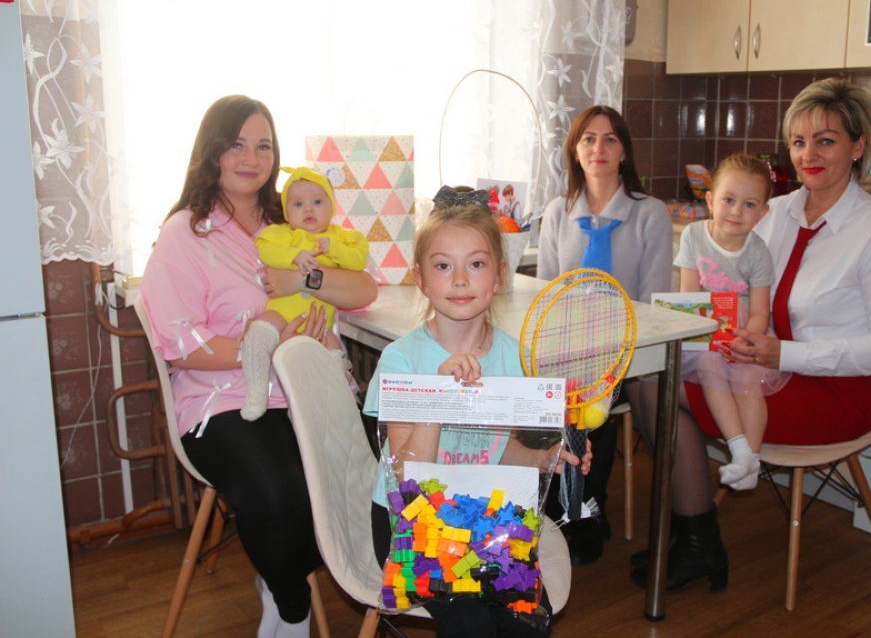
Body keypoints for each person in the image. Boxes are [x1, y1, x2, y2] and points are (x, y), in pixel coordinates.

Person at [630, 78, 871, 592]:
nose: (809, 155)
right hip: (763, 363)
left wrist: (785, 353)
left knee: (656, 386)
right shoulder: (774, 211)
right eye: (799, 141)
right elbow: (732, 277)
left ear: (857, 147)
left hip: (839, 389)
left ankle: (697, 542)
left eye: (826, 141)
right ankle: (696, 536)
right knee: (651, 378)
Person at [140, 95, 378, 637]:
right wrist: (268, 348)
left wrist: (306, 280)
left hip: (308, 388)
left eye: (264, 145)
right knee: (278, 488)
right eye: (237, 143)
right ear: (212, 151)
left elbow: (364, 289)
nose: (251, 158)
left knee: (367, 475)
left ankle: (280, 573)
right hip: (223, 396)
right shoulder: (186, 232)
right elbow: (179, 344)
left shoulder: (294, 217)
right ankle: (291, 601)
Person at [363, 188, 591, 637]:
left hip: (488, 516)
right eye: (443, 266)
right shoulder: (401, 361)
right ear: (421, 278)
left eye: (477, 264)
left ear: (500, 275)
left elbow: (501, 453)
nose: (460, 280)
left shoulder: (515, 358)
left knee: (527, 619)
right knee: (472, 623)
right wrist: (439, 396)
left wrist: (547, 459)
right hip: (411, 522)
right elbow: (405, 474)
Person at [537, 105, 673, 565]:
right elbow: (546, 293)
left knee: (591, 403)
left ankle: (586, 512)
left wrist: (604, 352)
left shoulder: (649, 213)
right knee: (545, 393)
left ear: (624, 152)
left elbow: (652, 302)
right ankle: (556, 507)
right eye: (589, 139)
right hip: (567, 346)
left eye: (610, 139)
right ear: (575, 152)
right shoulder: (558, 212)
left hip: (626, 347)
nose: (599, 148)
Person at [674, 153, 782, 491]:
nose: (736, 211)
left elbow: (762, 311)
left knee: (748, 377)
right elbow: (689, 297)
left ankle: (752, 460)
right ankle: (739, 450)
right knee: (709, 366)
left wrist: (747, 338)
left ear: (763, 212)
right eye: (728, 200)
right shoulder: (693, 235)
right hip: (706, 330)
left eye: (749, 204)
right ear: (710, 200)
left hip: (746, 331)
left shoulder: (758, 252)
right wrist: (706, 335)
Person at [240, 165, 368, 419]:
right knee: (257, 333)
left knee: (333, 358)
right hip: (281, 313)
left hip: (318, 322)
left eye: (317, 202)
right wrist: (294, 256)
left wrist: (333, 249)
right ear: (287, 211)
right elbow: (266, 251)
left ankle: (319, 409)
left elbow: (358, 261)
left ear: (331, 207)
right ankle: (256, 393)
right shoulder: (281, 235)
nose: (308, 209)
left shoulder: (343, 237)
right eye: (298, 204)